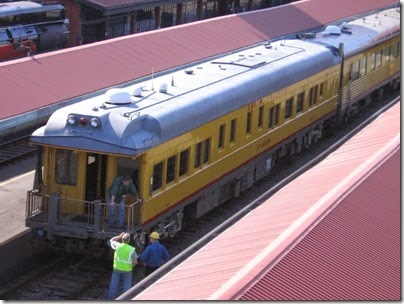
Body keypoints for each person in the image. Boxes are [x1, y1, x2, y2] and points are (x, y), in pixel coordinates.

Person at [108, 232, 138, 300]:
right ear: (129, 240)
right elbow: (135, 262)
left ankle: (111, 299)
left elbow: (111, 240)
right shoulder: (131, 249)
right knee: (127, 286)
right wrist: (131, 266)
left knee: (114, 284)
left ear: (122, 239)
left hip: (117, 269)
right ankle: (126, 299)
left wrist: (119, 236)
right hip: (127, 270)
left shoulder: (118, 246)